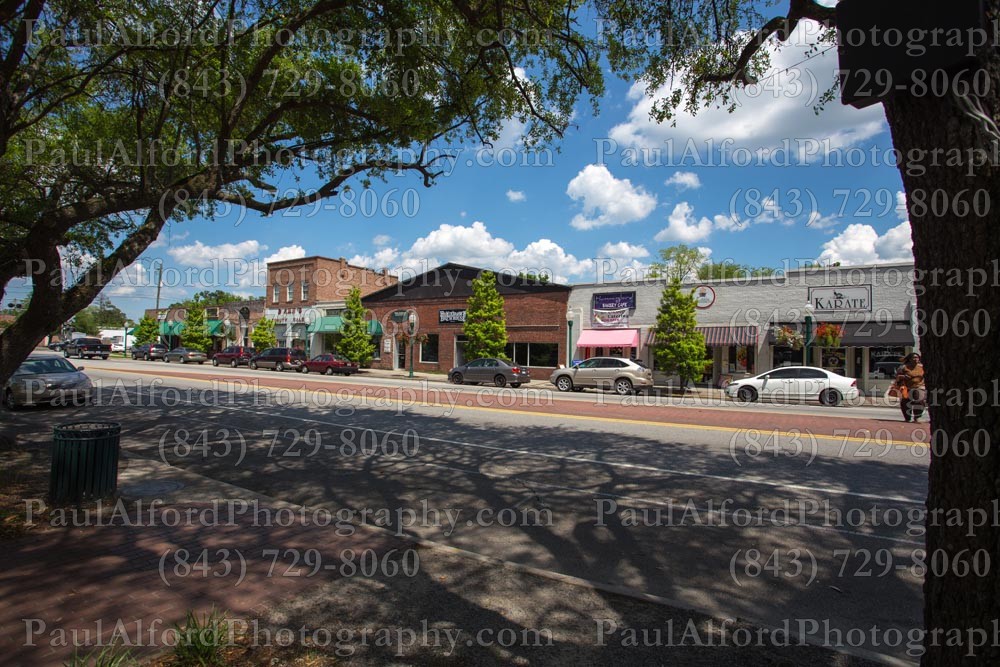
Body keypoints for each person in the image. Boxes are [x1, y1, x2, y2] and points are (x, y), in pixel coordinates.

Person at [894, 352, 926, 422]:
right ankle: (907, 418)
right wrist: (903, 377)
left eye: (917, 357)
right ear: (909, 359)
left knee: (920, 400)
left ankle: (917, 417)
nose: (915, 359)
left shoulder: (922, 367)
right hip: (907, 387)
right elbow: (897, 377)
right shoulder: (903, 367)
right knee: (905, 402)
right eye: (913, 358)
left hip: (919, 386)